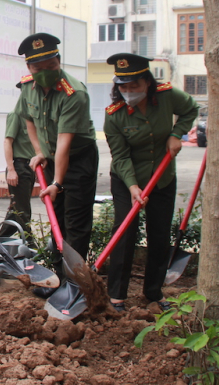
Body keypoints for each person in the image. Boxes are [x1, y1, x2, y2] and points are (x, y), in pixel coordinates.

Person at [103, 53, 198, 312]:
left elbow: (191, 109)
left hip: (162, 177)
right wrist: (133, 187)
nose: (129, 91)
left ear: (147, 82)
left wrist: (177, 134)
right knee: (124, 232)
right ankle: (116, 294)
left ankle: (153, 292)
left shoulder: (167, 96)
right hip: (126, 180)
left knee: (159, 234)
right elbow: (120, 156)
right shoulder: (114, 114)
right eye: (123, 86)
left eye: (134, 85)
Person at [16, 33, 98, 296]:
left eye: (51, 67)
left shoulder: (75, 93)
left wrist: (57, 183)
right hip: (53, 158)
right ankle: (57, 279)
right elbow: (28, 118)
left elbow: (65, 143)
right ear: (29, 68)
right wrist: (39, 151)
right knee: (56, 222)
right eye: (38, 69)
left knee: (75, 224)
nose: (44, 73)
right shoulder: (27, 86)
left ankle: (75, 286)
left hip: (78, 159)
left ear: (59, 61)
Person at [0, 81, 36, 239]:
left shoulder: (32, 116)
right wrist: (11, 169)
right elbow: (8, 141)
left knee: (16, 210)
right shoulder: (16, 114)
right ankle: (31, 245)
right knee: (23, 212)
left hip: (29, 168)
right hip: (19, 167)